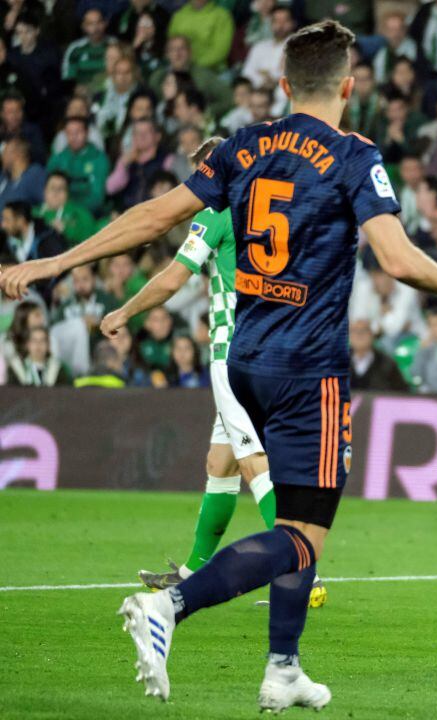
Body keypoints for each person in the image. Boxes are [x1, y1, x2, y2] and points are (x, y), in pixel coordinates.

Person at [1, 20, 437, 712]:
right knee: (301, 538)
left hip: (244, 360)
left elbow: (151, 217)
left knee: (286, 516)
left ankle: (283, 668)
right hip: (309, 369)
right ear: (349, 88)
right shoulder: (354, 156)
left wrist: (55, 262)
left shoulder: (242, 145)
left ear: (284, 84)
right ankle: (169, 605)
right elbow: (397, 259)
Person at [98, 136, 326, 606]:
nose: (197, 178)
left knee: (252, 462)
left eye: (203, 167)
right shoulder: (275, 213)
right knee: (219, 463)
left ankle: (304, 570)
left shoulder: (216, 213)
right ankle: (192, 569)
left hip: (234, 354)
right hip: (275, 350)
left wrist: (124, 312)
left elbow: (172, 279)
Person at [347, 318, 409, 391]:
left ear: (372, 335)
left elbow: (402, 391)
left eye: (364, 330)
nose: (359, 335)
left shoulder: (387, 363)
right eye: (355, 331)